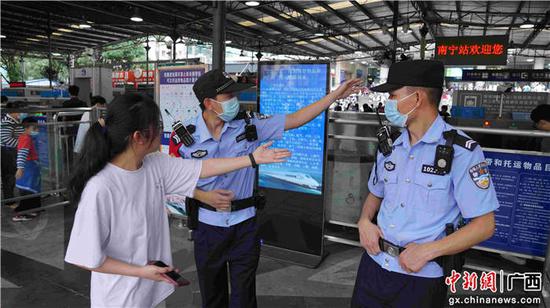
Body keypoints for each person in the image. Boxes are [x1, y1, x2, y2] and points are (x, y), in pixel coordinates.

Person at [64, 93, 290, 308]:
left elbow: (204, 168)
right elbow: (84, 257)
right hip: (119, 298)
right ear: (138, 137)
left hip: (150, 291)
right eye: (157, 126)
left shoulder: (154, 165)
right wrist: (140, 271)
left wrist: (251, 158)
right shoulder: (101, 187)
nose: (162, 130)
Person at [178, 69, 361, 308]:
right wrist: (203, 196)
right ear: (208, 103)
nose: (235, 101)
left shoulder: (249, 125)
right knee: (212, 296)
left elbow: (295, 119)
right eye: (227, 97)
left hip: (245, 225)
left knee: (244, 296)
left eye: (234, 95)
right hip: (207, 228)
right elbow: (176, 180)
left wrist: (333, 97)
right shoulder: (185, 139)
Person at [352, 60, 499, 307]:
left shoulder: (462, 152)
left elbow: (484, 226)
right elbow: (375, 193)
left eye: (392, 95)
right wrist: (364, 221)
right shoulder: (390, 147)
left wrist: (428, 251)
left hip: (421, 279)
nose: (387, 102)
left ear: (417, 98)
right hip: (374, 265)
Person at [13, 117, 42, 222]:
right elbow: (22, 153)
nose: (37, 130)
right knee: (27, 189)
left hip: (32, 168)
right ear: (26, 128)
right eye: (34, 128)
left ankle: (33, 209)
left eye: (37, 127)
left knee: (31, 188)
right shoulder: (25, 138)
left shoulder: (27, 137)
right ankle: (28, 210)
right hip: (28, 168)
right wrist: (20, 168)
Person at [1, 102, 25, 207]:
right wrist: (21, 145)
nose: (20, 112)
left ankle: (10, 198)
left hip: (11, 151)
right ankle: (9, 201)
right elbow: (5, 139)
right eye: (18, 110)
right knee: (9, 176)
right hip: (8, 152)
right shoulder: (8, 121)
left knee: (11, 175)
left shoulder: (14, 120)